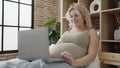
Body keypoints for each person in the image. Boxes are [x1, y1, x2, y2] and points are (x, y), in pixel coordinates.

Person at [49, 3, 99, 68]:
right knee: (35, 64)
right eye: (71, 16)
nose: (73, 18)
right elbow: (56, 46)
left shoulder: (91, 32)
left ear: (83, 16)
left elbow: (92, 55)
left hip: (68, 64)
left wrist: (75, 62)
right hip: (53, 60)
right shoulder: (67, 32)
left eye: (76, 15)